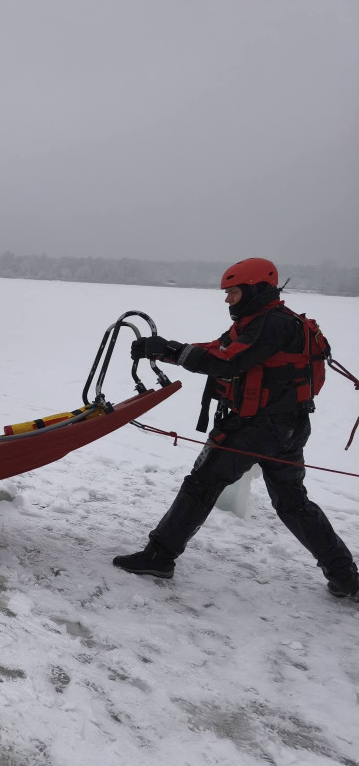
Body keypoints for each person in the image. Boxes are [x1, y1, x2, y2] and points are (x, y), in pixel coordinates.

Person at [113, 257, 359, 602]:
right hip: (288, 426)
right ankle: (345, 577)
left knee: (201, 485)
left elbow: (227, 361)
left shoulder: (270, 325)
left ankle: (159, 556)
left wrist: (168, 350)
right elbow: (219, 349)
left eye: (233, 292)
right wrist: (168, 350)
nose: (227, 300)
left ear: (256, 289)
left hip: (257, 427)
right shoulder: (263, 321)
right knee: (293, 503)